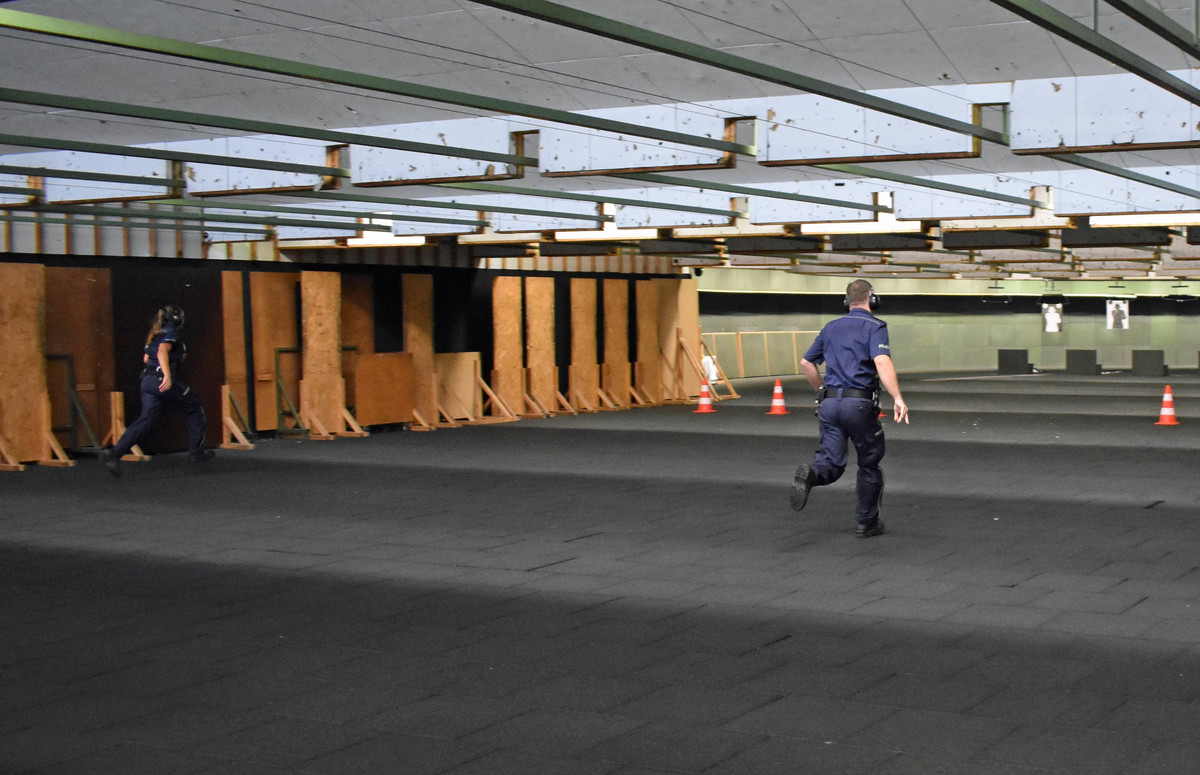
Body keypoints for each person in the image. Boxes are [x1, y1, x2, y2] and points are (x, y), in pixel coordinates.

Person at [790, 280, 908, 537]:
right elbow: (881, 361)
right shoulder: (875, 326)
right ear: (872, 298)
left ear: (847, 301)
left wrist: (822, 392)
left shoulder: (830, 327)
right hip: (859, 405)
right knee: (869, 463)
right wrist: (897, 397)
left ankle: (812, 473)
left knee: (831, 461)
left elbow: (806, 363)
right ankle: (867, 522)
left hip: (830, 404)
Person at [102, 304, 214, 477]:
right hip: (160, 380)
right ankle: (196, 452)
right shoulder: (171, 333)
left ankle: (115, 453)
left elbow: (146, 358)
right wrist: (167, 375)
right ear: (178, 319)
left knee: (148, 419)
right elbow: (162, 351)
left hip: (146, 381)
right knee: (195, 405)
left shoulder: (155, 334)